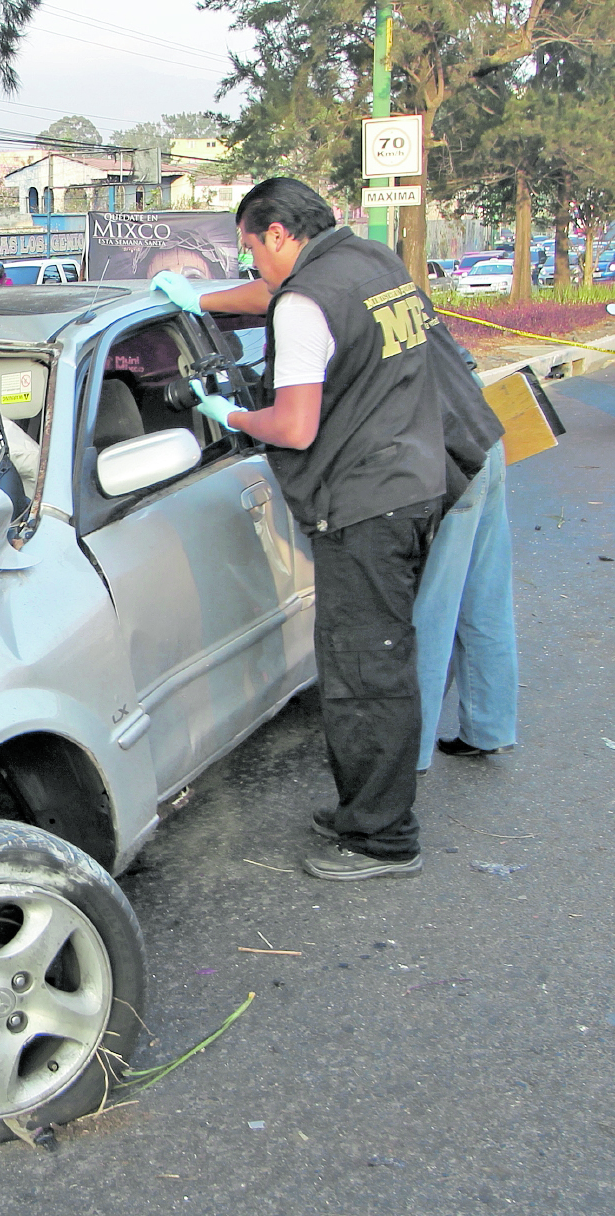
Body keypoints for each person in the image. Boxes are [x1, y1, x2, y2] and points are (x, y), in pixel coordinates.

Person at [158, 177, 450, 882]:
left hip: (363, 504)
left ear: (279, 234)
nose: (249, 264)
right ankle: (367, 812)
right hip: (415, 478)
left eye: (250, 248)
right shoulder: (370, 262)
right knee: (378, 658)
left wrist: (230, 416)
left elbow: (292, 425)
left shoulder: (306, 301)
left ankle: (381, 840)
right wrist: (198, 300)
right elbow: (280, 298)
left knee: (363, 673)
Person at [412, 333, 516, 770]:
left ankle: (406, 755)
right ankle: (489, 729)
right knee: (485, 596)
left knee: (430, 613)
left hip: (446, 458)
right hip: (483, 438)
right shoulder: (392, 290)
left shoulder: (319, 301)